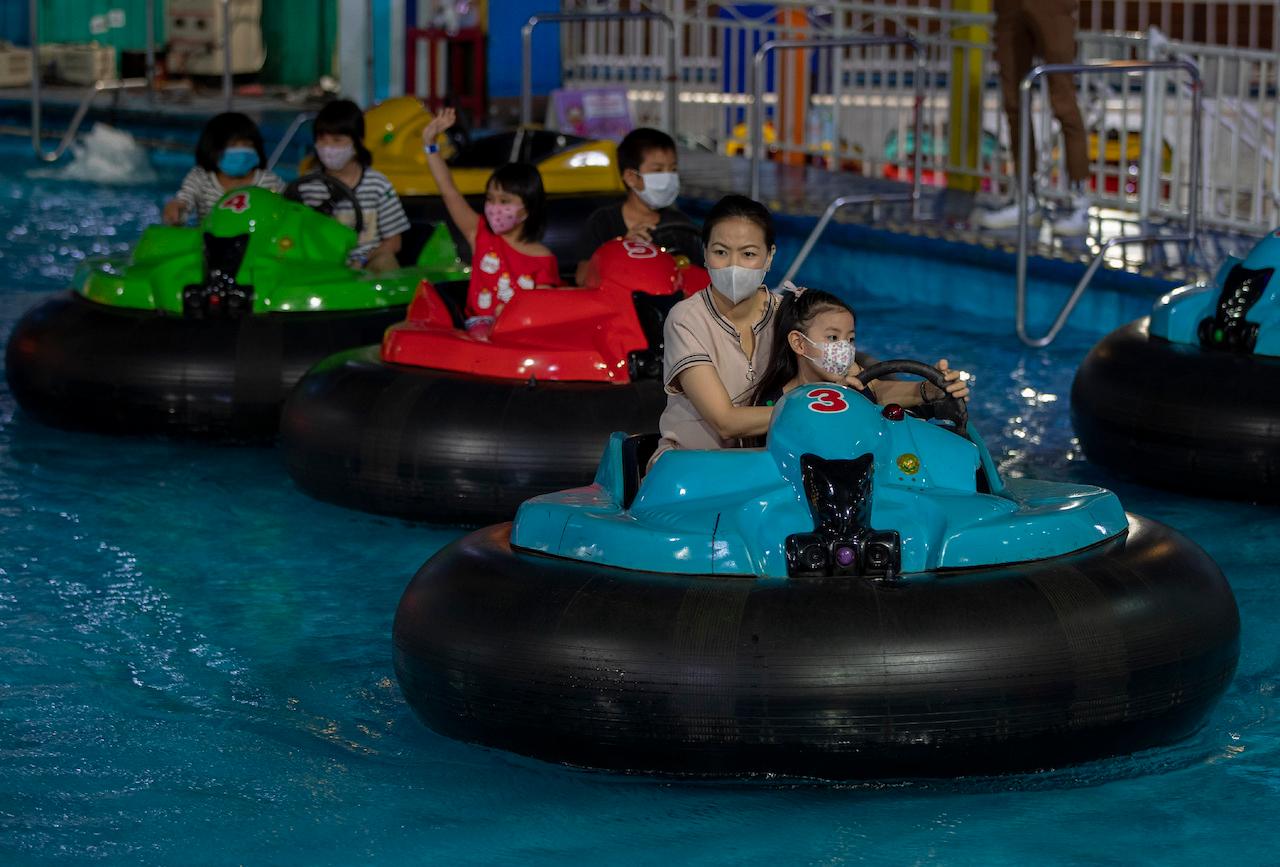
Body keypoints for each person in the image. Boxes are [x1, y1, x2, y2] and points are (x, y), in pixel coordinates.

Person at [421, 107, 558, 340]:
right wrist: (430, 143)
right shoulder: (480, 234)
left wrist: (511, 314)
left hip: (520, 330)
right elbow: (449, 191)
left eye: (505, 201)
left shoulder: (543, 260)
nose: (495, 207)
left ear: (529, 206)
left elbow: (543, 310)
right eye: (491, 199)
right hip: (480, 328)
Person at [750, 285, 969, 417]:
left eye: (851, 338)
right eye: (833, 337)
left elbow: (879, 392)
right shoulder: (772, 403)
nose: (844, 347)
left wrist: (930, 390)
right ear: (799, 343)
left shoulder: (856, 386)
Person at [976, 0, 1090, 236]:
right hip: (1010, 7)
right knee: (1014, 102)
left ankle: (1080, 202)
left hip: (1051, 6)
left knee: (1063, 101)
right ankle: (1025, 198)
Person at [293, 99, 410, 272]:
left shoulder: (378, 185)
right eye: (322, 140)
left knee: (386, 261)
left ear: (358, 142)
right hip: (319, 266)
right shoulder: (306, 186)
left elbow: (394, 242)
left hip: (365, 266)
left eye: (337, 140)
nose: (328, 148)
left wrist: (361, 262)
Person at [574, 127, 702, 285]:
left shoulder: (681, 225)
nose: (668, 178)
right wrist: (620, 248)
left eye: (673, 169)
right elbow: (582, 278)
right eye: (658, 170)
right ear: (631, 177)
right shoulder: (602, 222)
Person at [162, 112, 284, 225]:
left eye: (248, 145)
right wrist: (176, 209)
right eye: (232, 145)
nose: (241, 152)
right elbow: (184, 201)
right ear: (212, 149)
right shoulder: (201, 178)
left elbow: (290, 208)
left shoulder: (269, 181)